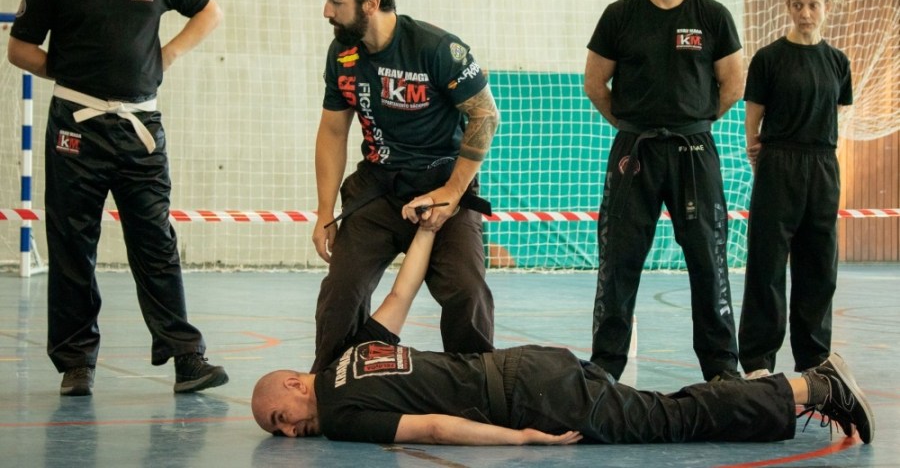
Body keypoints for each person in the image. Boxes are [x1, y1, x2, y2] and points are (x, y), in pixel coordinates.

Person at [251, 200, 875, 446]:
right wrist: (426, 230)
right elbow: (405, 289)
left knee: (673, 416)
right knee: (664, 408)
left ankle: (814, 387)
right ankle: (806, 387)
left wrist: (523, 439)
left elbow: (438, 427)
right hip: (530, 366)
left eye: (279, 415)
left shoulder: (338, 414)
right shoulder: (349, 356)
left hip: (533, 396)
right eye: (277, 429)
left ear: (297, 383)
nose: (286, 432)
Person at [7, 0, 227, 396]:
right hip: (75, 129)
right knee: (72, 244)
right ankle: (76, 363)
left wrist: (168, 54)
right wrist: (70, 71)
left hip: (140, 128)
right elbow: (19, 48)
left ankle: (185, 357)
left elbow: (209, 11)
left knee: (156, 241)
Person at [310, 0, 500, 372]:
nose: (326, 10)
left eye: (336, 1)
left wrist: (452, 193)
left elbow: (485, 116)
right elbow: (333, 130)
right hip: (378, 187)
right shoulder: (340, 55)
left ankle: (476, 386)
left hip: (443, 185)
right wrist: (325, 212)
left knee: (466, 291)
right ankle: (327, 386)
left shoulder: (437, 48)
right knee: (342, 291)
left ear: (371, 3)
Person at [583, 0, 744, 382]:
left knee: (708, 262)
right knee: (618, 262)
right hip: (634, 152)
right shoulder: (620, 15)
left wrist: (696, 121)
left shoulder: (712, 15)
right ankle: (605, 371)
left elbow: (734, 83)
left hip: (695, 152)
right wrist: (630, 127)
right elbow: (595, 84)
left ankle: (722, 373)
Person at [738, 0, 853, 379]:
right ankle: (757, 363)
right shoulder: (768, 58)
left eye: (814, 4)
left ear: (827, 7)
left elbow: (832, 113)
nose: (806, 13)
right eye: (798, 5)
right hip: (778, 163)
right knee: (767, 265)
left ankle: (814, 361)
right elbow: (754, 115)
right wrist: (757, 147)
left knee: (819, 266)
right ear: (788, 7)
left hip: (822, 166)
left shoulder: (838, 62)